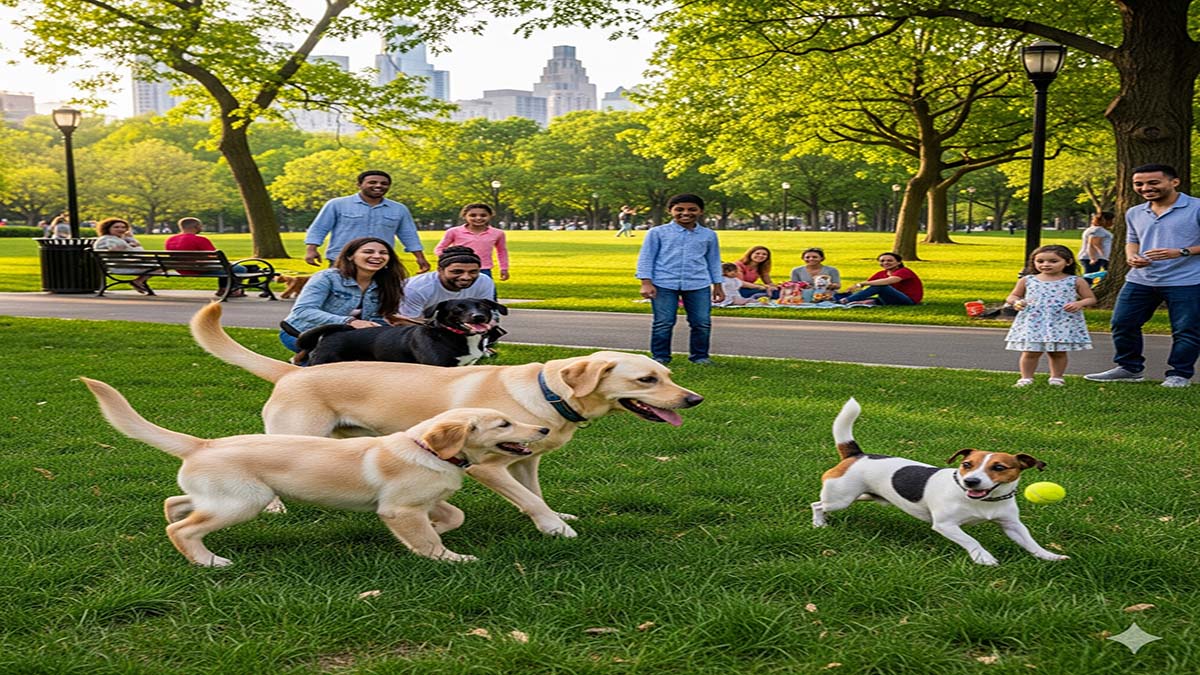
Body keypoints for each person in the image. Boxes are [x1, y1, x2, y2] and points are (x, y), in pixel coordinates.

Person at [1085, 163, 1200, 388]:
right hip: (1141, 279)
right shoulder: (1135, 212)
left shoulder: (1196, 207)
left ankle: (1179, 375)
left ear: (1174, 182)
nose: (1145, 187)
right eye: (1139, 184)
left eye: (1153, 182)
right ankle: (1129, 368)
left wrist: (1181, 251)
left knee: (1186, 330)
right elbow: (1132, 240)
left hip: (1187, 280)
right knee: (1122, 323)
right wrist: (1131, 256)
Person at [279, 237, 407, 355]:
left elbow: (376, 320)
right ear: (350, 256)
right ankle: (303, 363)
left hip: (346, 337)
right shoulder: (327, 277)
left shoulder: (387, 284)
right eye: (368, 252)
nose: (377, 256)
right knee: (332, 367)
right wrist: (350, 322)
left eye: (383, 253)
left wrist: (397, 325)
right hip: (301, 333)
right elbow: (303, 310)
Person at [636, 193, 724, 365]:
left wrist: (718, 285)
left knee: (702, 322)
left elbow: (713, 260)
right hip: (664, 283)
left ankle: (700, 356)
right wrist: (646, 283)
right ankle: (660, 357)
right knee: (664, 322)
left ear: (700, 212)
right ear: (670, 211)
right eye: (679, 209)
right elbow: (646, 258)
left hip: (697, 283)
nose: (686, 213)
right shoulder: (657, 233)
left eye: (692, 209)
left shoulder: (708, 235)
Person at [303, 170, 430, 273]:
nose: (378, 186)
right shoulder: (337, 204)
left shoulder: (399, 209)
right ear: (359, 185)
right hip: (344, 259)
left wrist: (420, 257)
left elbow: (408, 234)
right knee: (340, 296)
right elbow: (320, 227)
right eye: (372, 182)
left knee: (378, 297)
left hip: (378, 260)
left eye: (384, 183)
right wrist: (311, 249)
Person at [1003, 245, 1096, 387]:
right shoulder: (1028, 280)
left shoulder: (1075, 281)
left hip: (1061, 321)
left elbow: (1090, 298)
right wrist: (1016, 302)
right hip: (1034, 321)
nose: (1045, 264)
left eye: (1053, 261)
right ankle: (1026, 378)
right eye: (1040, 261)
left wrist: (1079, 303)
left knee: (1058, 352)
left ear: (1068, 262)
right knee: (1031, 351)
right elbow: (1013, 295)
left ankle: (1056, 378)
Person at [397, 246, 497, 320]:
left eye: (473, 272)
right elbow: (408, 322)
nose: (466, 277)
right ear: (440, 270)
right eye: (457, 272)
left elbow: (486, 312)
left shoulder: (484, 281)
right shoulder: (416, 288)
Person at [165, 216, 247, 298]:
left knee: (227, 268)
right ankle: (231, 290)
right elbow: (215, 257)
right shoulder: (201, 240)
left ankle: (224, 289)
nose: (201, 228)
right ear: (196, 227)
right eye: (201, 226)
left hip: (182, 269)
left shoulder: (170, 239)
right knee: (240, 269)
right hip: (200, 269)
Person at [434, 203, 509, 281]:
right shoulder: (454, 231)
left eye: (483, 215)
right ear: (465, 216)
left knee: (486, 292)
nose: (478, 218)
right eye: (473, 215)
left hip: (483, 269)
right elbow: (439, 249)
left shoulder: (497, 233)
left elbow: (502, 251)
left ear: (490, 216)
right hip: (460, 269)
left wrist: (504, 268)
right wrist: (451, 260)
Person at [92, 217, 153, 293]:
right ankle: (138, 281)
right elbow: (135, 253)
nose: (121, 229)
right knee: (161, 265)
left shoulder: (107, 239)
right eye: (116, 227)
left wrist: (128, 241)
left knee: (159, 264)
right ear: (107, 228)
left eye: (123, 227)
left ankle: (138, 282)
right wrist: (133, 243)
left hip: (116, 265)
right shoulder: (111, 239)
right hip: (121, 267)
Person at [837, 252, 924, 306]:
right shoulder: (881, 273)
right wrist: (854, 288)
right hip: (890, 299)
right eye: (882, 261)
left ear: (899, 262)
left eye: (889, 261)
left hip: (908, 300)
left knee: (881, 286)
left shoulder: (904, 271)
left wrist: (863, 283)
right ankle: (839, 299)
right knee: (850, 296)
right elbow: (869, 286)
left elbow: (890, 280)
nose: (885, 263)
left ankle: (845, 301)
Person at [1078, 211, 1114, 276]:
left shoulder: (1096, 229)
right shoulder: (1097, 230)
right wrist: (1093, 258)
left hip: (1098, 257)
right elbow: (1094, 244)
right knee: (1090, 277)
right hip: (1093, 257)